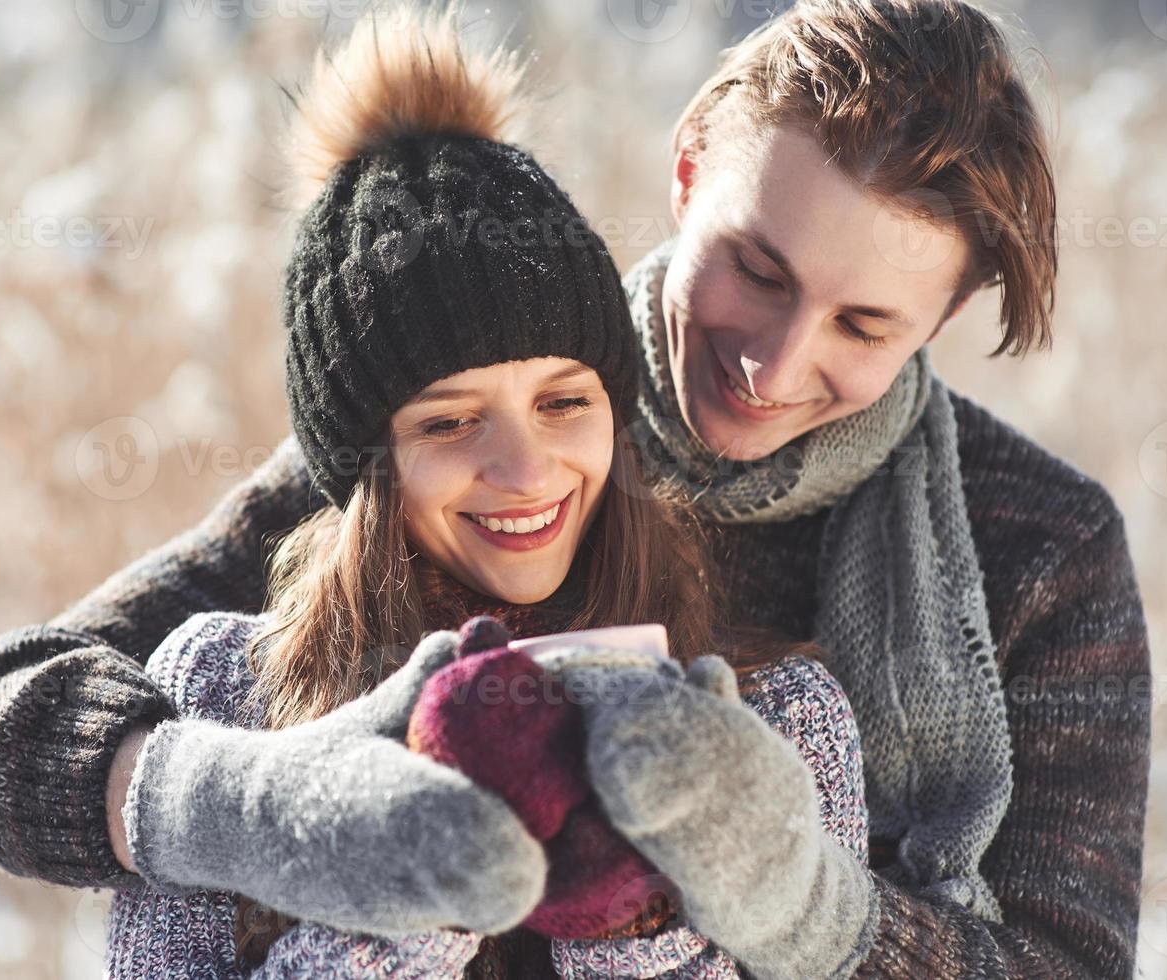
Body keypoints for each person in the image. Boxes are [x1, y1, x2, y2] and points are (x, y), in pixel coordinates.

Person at [0, 0, 1153, 976]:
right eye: (757, 269)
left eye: (864, 323)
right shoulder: (489, 397)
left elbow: (1060, 959)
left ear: (945, 315)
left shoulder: (1034, 545)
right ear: (686, 175)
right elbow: (0, 721)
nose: (773, 362)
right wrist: (261, 803)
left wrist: (807, 906)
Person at [96, 9, 867, 977]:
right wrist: (409, 888)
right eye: (449, 421)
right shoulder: (218, 701)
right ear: (363, 465)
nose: (526, 467)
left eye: (562, 401)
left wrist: (640, 911)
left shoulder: (779, 718)